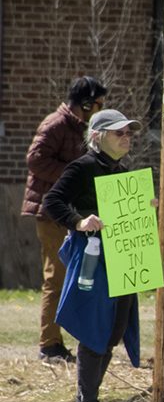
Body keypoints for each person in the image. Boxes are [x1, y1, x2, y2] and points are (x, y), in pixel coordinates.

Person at [41, 109, 143, 402]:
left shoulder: (122, 171)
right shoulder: (82, 166)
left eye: (129, 133)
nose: (126, 138)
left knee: (114, 330)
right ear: (97, 136)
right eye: (119, 133)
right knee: (93, 330)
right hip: (93, 261)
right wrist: (80, 221)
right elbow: (52, 201)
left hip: (123, 259)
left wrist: (143, 207)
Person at [23, 76, 107, 363]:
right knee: (55, 278)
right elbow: (35, 159)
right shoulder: (56, 124)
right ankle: (49, 344)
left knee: (75, 278)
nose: (99, 109)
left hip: (73, 215)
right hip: (50, 213)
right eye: (98, 104)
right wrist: (72, 174)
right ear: (85, 103)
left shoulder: (81, 129)